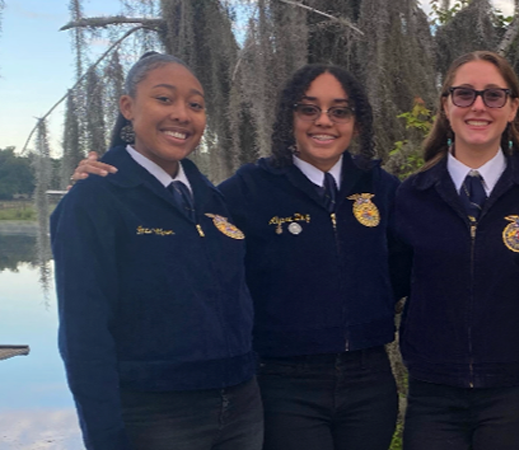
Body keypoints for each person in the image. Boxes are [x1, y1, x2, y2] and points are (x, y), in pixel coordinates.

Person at [72, 63, 400, 450]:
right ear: (287, 119)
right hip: (285, 380)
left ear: (356, 122)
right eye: (308, 109)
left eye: (339, 111)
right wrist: (101, 180)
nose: (323, 121)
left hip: (370, 378)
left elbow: (408, 263)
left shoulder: (382, 187)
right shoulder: (245, 190)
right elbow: (192, 246)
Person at [51, 52, 262, 450]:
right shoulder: (95, 201)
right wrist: (105, 435)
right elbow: (83, 335)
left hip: (240, 407)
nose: (182, 114)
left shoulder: (212, 200)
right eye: (164, 99)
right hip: (155, 415)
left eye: (195, 105)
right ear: (128, 107)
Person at [390, 50, 519, 450]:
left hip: (517, 394)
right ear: (446, 106)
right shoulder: (411, 195)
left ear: (513, 107)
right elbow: (388, 286)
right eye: (464, 94)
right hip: (434, 397)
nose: (478, 106)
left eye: (493, 96)